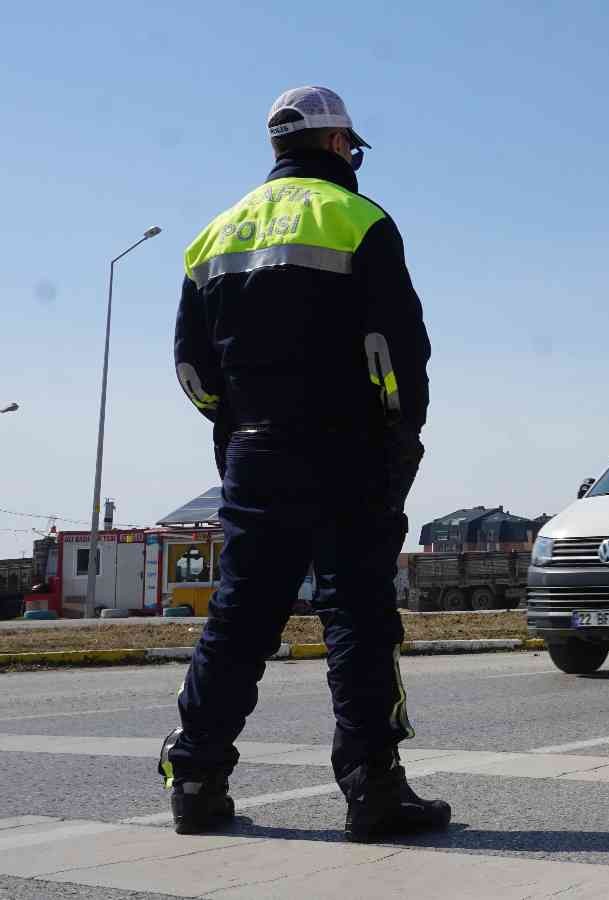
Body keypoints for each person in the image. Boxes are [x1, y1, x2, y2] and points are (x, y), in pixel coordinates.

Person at [160, 85, 447, 842]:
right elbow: (399, 356)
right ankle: (373, 790)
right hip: (347, 449)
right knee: (357, 615)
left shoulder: (215, 235)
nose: (354, 156)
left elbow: (192, 370)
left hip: (255, 453)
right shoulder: (361, 220)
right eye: (352, 145)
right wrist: (401, 435)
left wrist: (237, 430)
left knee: (239, 616)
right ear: (331, 144)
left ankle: (195, 774)